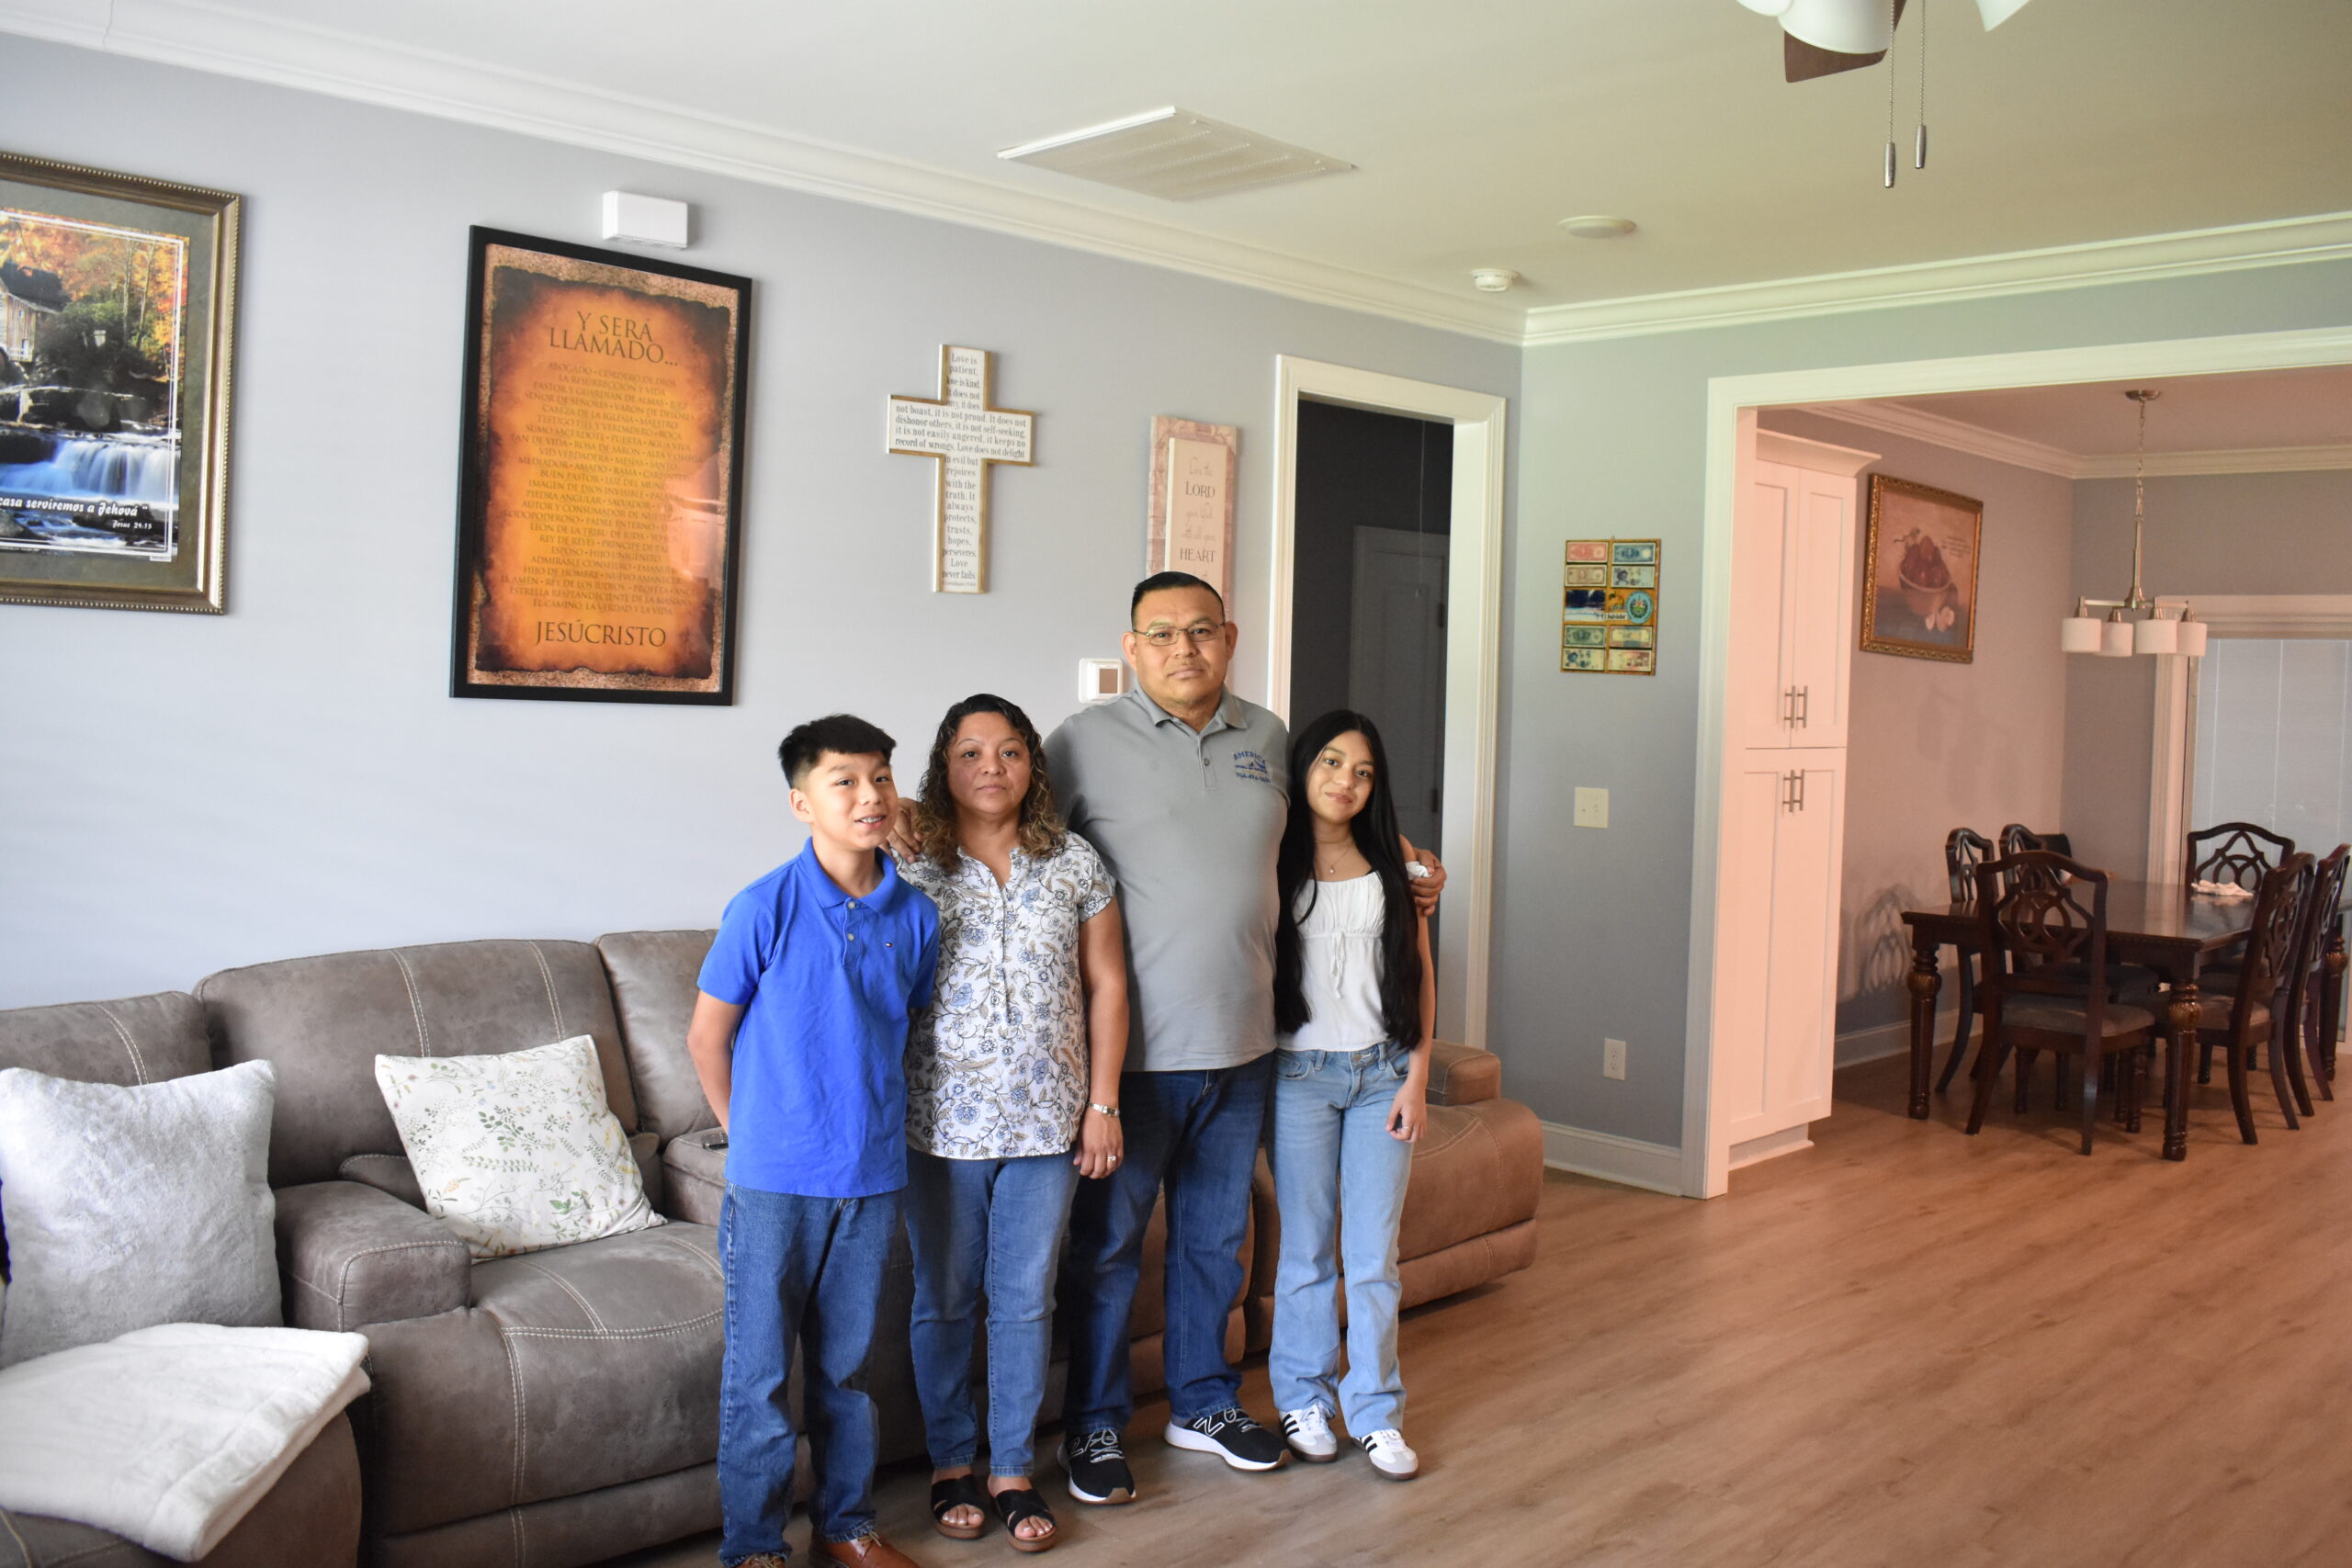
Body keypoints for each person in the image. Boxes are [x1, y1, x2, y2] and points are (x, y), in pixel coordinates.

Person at [1038, 571, 1447, 1507]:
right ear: (1132, 647)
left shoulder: (1268, 737)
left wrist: (1416, 865)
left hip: (1252, 1049)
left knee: (1213, 1243)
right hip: (1136, 1058)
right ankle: (1093, 1424)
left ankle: (1203, 1403)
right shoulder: (1082, 741)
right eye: (1161, 633)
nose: (1183, 649)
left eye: (1201, 631)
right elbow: (1016, 829)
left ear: (1228, 638)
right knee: (1108, 1249)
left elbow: (1337, 817)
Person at [685, 715, 941, 1568]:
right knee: (760, 1375)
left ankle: (846, 1526)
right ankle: (754, 1545)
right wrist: (749, 1135)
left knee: (850, 1371)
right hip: (774, 1182)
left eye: (881, 777)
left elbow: (900, 1027)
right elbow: (706, 1038)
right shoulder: (763, 906)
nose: (870, 796)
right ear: (803, 802)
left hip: (871, 1175)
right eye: (845, 781)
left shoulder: (916, 914)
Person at [896, 694, 1127, 1555]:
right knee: (946, 1297)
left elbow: (1108, 985)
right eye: (969, 752)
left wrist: (1103, 1103)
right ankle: (951, 1461)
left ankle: (1012, 1469)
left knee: (1026, 1300)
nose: (991, 766)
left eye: (1009, 750)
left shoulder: (1073, 860)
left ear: (1033, 763)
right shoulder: (910, 864)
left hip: (1047, 1126)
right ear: (943, 766)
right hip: (938, 1126)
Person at [1266, 711, 1434, 1482]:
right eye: (1331, 763)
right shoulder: (1270, 855)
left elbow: (1418, 973)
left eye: (1362, 771)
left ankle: (1374, 1410)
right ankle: (1303, 1397)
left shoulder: (1395, 858)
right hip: (1298, 1076)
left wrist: (1418, 1076)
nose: (1345, 781)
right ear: (1304, 767)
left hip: (1382, 1076)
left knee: (1373, 1257)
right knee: (1305, 1249)